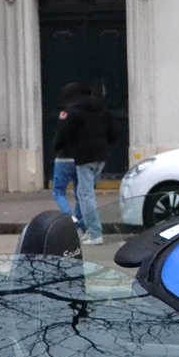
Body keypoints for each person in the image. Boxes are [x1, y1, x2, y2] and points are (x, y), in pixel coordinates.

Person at [51, 82, 111, 244]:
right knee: (83, 194)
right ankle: (83, 224)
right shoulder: (102, 110)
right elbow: (113, 133)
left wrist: (56, 146)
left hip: (81, 157)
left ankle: (89, 229)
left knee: (69, 193)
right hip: (100, 157)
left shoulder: (74, 112)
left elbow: (63, 133)